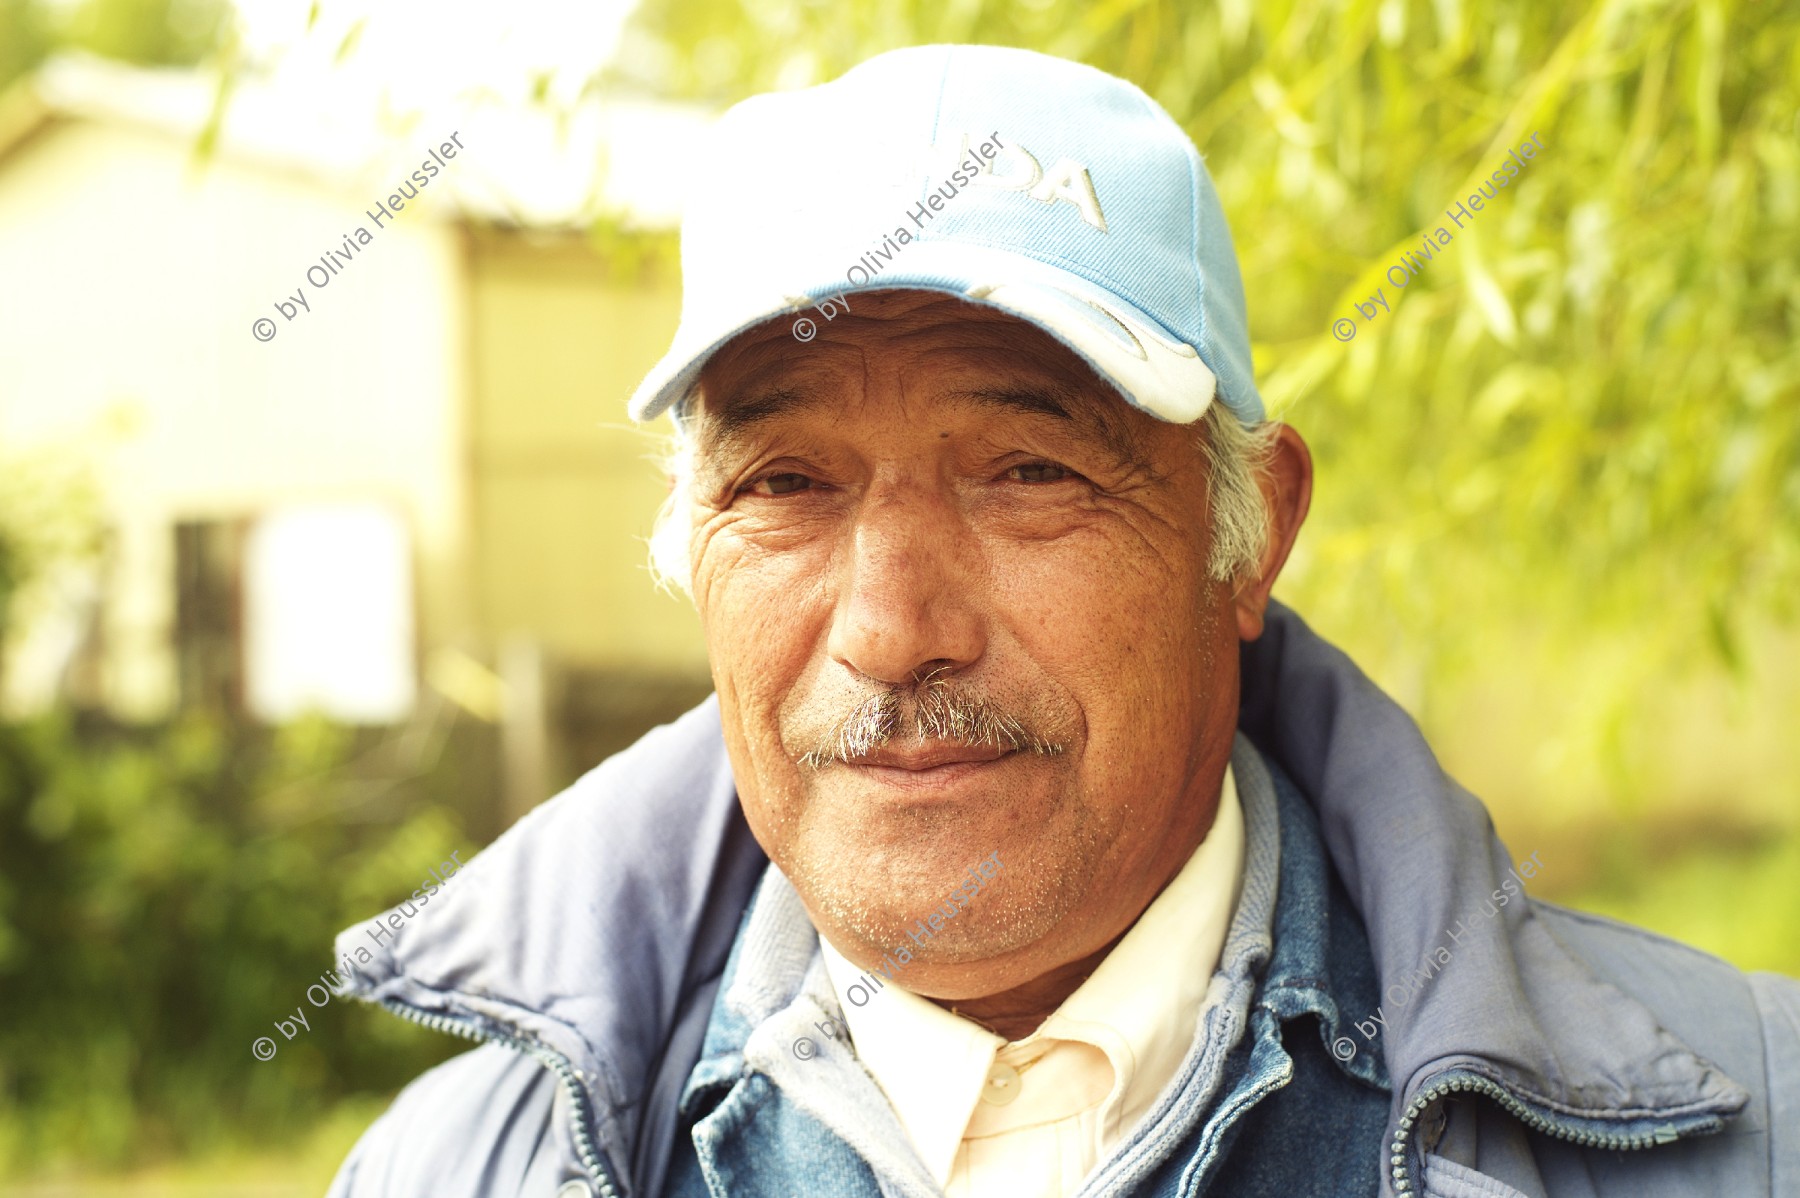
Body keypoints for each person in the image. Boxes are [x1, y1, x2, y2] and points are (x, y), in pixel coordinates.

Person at [326, 45, 1798, 1198]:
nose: (893, 631)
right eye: (785, 483)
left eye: (1029, 473)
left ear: (1251, 535)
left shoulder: (1751, 1132)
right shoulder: (451, 1167)